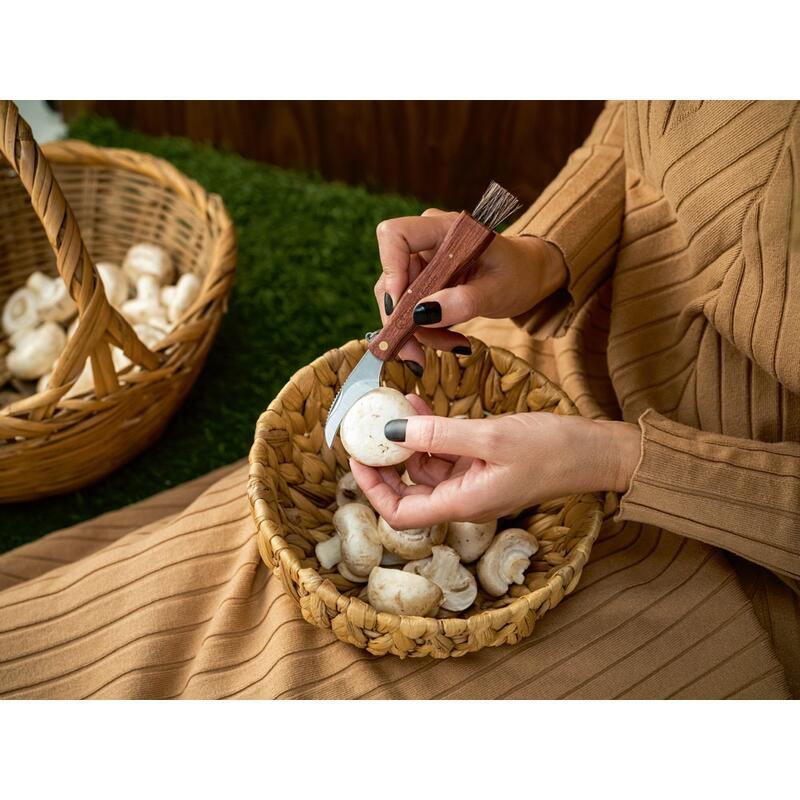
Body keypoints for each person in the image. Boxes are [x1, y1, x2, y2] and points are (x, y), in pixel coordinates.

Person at [0, 100, 796, 699]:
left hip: (730, 533)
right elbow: (643, 133)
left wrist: (619, 460)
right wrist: (545, 258)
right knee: (171, 592)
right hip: (541, 360)